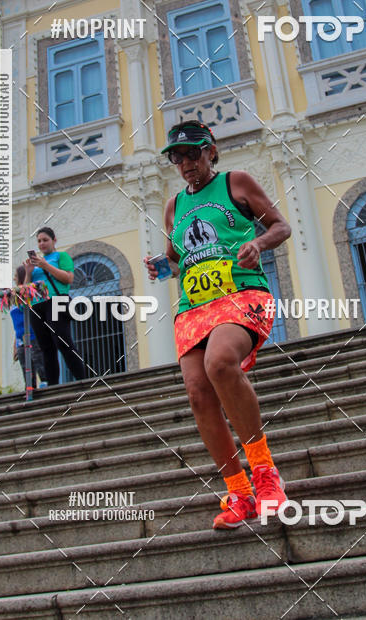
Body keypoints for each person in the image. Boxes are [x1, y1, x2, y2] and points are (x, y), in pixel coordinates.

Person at [144, 120, 292, 530]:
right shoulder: (173, 205)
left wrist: (258, 243)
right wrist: (162, 265)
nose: (186, 163)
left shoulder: (236, 182)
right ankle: (239, 492)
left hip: (242, 295)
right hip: (193, 305)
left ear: (212, 150)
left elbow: (281, 225)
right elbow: (177, 257)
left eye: (194, 153)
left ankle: (265, 476)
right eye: (178, 157)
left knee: (220, 362)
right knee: (197, 393)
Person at [24, 227, 87, 386]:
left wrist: (46, 265)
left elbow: (68, 278)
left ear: (54, 240)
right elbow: (25, 291)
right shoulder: (36, 265)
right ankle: (53, 385)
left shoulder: (61, 256)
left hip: (56, 301)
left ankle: (83, 380)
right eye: (39, 241)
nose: (42, 243)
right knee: (46, 348)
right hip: (37, 305)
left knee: (63, 342)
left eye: (45, 240)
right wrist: (28, 272)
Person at [10, 265, 47, 388]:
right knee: (26, 368)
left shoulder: (28, 294)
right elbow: (17, 324)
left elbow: (25, 304)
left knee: (39, 364)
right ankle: (30, 391)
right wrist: (15, 344)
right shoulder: (14, 297)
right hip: (21, 338)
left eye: (15, 275)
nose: (14, 278)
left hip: (33, 335)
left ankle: (46, 386)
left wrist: (28, 273)